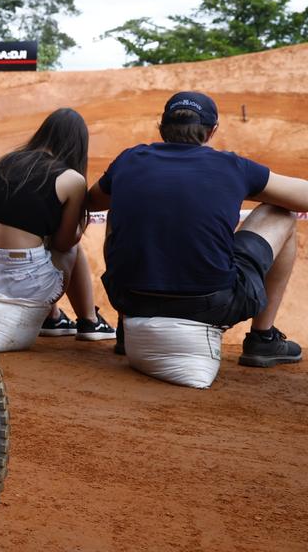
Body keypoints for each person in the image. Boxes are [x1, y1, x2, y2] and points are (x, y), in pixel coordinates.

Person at [89, 91, 307, 368]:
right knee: (282, 213)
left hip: (129, 297)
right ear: (212, 131)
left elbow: (93, 200)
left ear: (161, 127)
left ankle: (126, 324)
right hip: (212, 303)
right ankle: (263, 339)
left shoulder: (129, 159)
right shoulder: (232, 166)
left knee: (115, 210)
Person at [0, 108, 116, 343]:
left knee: (36, 244)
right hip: (24, 284)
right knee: (72, 247)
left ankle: (52, 317)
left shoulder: (7, 162)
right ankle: (89, 321)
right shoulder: (71, 178)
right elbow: (64, 244)